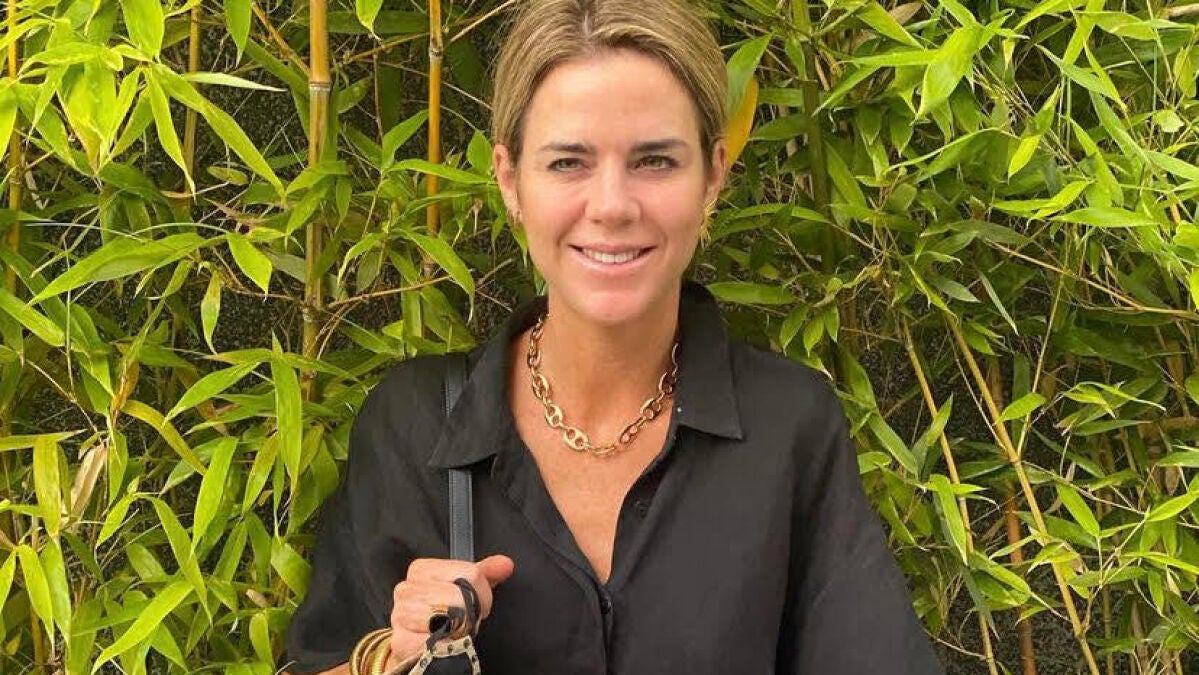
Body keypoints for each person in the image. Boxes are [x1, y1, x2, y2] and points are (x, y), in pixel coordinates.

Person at [281, 0, 944, 672]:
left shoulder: (787, 426)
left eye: (654, 161)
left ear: (713, 175)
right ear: (509, 180)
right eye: (567, 163)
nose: (611, 206)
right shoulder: (415, 425)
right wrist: (387, 660)